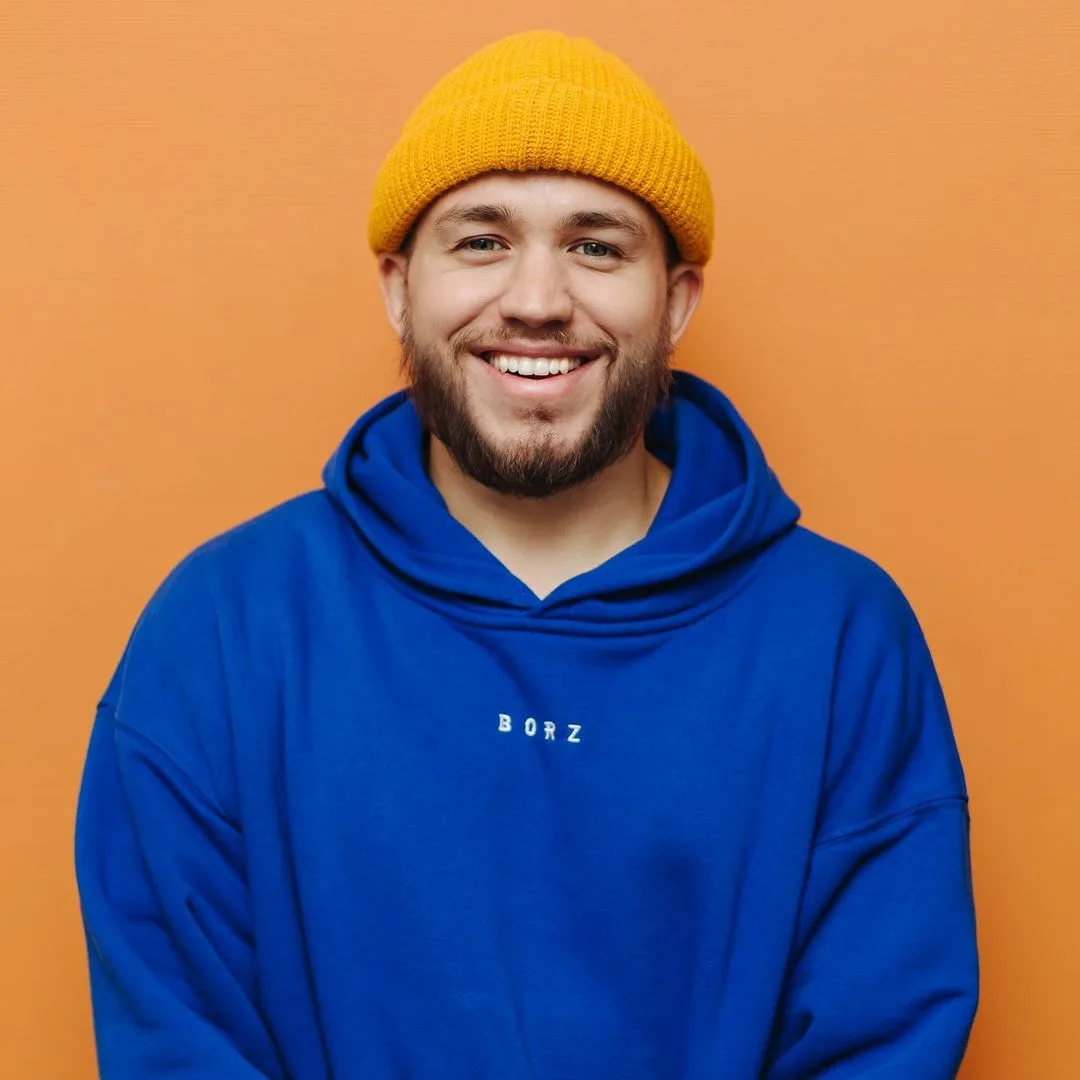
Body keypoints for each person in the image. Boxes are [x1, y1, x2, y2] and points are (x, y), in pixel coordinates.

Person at [75, 29, 978, 1079]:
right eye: (480, 241)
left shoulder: (839, 637)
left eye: (597, 247)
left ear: (677, 301)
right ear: (398, 288)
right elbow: (175, 1041)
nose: (538, 300)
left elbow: (882, 1039)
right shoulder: (225, 627)